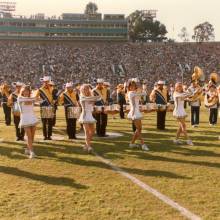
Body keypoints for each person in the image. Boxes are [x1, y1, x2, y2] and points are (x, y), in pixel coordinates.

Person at [127, 80, 149, 151]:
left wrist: (144, 89)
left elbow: (143, 95)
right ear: (129, 87)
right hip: (134, 112)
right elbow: (141, 94)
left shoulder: (135, 92)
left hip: (137, 111)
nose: (133, 87)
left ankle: (132, 143)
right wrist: (142, 92)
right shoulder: (130, 93)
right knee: (138, 129)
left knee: (139, 129)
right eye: (131, 86)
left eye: (134, 85)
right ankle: (143, 144)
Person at [78, 84, 101, 153]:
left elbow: (97, 99)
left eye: (87, 89)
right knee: (87, 131)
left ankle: (86, 144)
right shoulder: (81, 96)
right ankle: (89, 146)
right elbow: (90, 99)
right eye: (84, 89)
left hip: (90, 115)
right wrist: (95, 98)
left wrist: (94, 101)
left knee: (93, 131)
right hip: (84, 116)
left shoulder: (91, 96)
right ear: (82, 90)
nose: (86, 90)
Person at [18, 85, 38, 158]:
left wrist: (35, 99)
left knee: (32, 136)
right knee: (29, 136)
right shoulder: (20, 98)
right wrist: (34, 98)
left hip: (32, 117)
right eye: (25, 91)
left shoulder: (31, 98)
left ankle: (27, 149)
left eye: (28, 91)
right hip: (25, 118)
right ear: (22, 92)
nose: (26, 92)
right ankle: (32, 153)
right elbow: (32, 99)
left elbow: (36, 100)